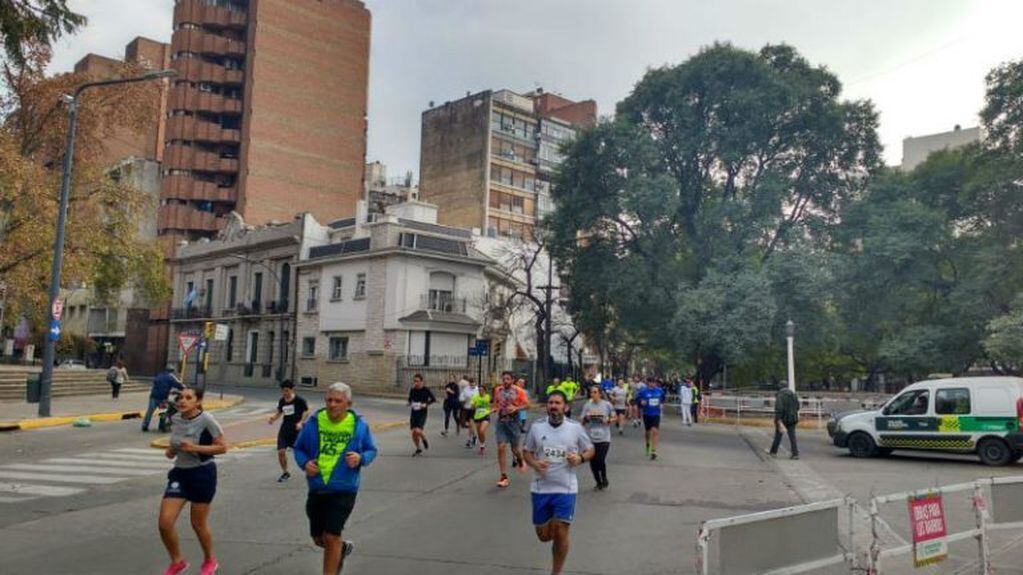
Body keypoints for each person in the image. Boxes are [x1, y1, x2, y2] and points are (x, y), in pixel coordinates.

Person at [294, 382, 378, 575]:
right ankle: (341, 549)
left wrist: (361, 458)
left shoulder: (359, 425)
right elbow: (299, 448)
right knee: (318, 538)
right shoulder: (314, 422)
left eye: (337, 401)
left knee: (331, 536)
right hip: (317, 487)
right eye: (329, 400)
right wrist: (305, 463)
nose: (332, 404)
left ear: (348, 403)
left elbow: (371, 449)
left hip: (344, 488)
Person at [522, 390, 595, 575]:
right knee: (544, 536)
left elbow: (590, 450)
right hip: (540, 488)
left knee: (561, 531)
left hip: (566, 488)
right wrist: (535, 463)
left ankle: (556, 572)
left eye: (557, 403)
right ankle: (554, 535)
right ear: (547, 406)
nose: (553, 406)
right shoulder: (537, 427)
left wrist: (579, 458)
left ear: (566, 407)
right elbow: (527, 452)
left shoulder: (575, 428)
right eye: (550, 402)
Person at [159, 387, 227, 575]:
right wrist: (171, 450)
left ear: (197, 402)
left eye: (188, 398)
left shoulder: (207, 420)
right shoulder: (176, 419)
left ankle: (209, 560)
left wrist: (195, 448)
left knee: (197, 523)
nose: (183, 401)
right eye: (180, 397)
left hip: (202, 474)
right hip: (180, 473)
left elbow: (222, 448)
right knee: (165, 522)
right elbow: (171, 452)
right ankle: (177, 561)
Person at [267, 379, 310, 482]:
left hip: (296, 430)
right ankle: (285, 472)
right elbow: (280, 411)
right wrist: (273, 418)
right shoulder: (282, 401)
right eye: (283, 391)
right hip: (285, 429)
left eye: (287, 390)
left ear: (292, 389)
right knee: (281, 451)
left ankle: (311, 467)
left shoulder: (299, 400)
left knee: (302, 451)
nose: (285, 393)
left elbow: (306, 411)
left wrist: (301, 422)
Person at [493, 371, 529, 488]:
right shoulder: (498, 390)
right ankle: (503, 476)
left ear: (513, 380)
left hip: (514, 422)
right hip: (501, 422)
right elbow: (496, 403)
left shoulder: (519, 391)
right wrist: (495, 409)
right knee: (501, 447)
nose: (505, 381)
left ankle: (519, 459)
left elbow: (527, 405)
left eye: (508, 379)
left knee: (515, 450)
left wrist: (516, 408)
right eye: (503, 379)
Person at [581, 385, 614, 490]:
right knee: (593, 462)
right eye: (591, 392)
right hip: (591, 438)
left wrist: (608, 420)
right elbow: (582, 421)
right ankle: (598, 482)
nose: (593, 394)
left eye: (595, 392)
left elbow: (615, 417)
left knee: (600, 460)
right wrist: (587, 418)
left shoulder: (607, 405)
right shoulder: (587, 405)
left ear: (600, 393)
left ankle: (604, 477)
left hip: (604, 437)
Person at [143, 366, 184, 432]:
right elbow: (178, 385)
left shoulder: (159, 375)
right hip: (163, 398)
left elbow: (156, 383)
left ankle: (145, 425)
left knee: (150, 412)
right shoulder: (171, 377)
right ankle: (161, 426)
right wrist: (182, 387)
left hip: (154, 396)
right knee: (163, 412)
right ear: (171, 371)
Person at [636, 377, 666, 460]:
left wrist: (661, 404)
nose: (653, 383)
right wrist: (641, 402)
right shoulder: (643, 391)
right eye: (651, 382)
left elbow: (663, 399)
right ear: (648, 383)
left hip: (656, 414)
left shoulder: (659, 391)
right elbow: (637, 400)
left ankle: (654, 451)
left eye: (654, 382)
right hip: (647, 414)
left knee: (655, 431)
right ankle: (648, 444)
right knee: (648, 432)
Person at [768, 386, 800, 460]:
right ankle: (795, 454)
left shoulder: (780, 396)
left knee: (778, 436)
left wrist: (778, 419)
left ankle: (773, 452)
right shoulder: (793, 395)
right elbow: (798, 407)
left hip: (783, 419)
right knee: (792, 437)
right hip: (792, 419)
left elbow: (779, 409)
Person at [407, 374, 437, 456]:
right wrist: (409, 403)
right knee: (413, 433)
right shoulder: (412, 390)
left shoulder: (426, 390)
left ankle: (424, 439)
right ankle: (418, 448)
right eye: (414, 381)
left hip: (422, 412)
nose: (415, 383)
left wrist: (426, 404)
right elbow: (410, 399)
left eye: (417, 381)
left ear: (421, 381)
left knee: (418, 430)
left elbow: (433, 399)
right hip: (414, 412)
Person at [471, 383, 492, 457]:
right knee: (479, 433)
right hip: (477, 416)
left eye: (482, 390)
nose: (481, 391)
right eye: (479, 390)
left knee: (482, 430)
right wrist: (474, 405)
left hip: (486, 415)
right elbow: (472, 408)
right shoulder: (475, 397)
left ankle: (482, 445)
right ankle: (482, 446)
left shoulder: (488, 397)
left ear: (485, 391)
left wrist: (491, 409)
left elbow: (492, 404)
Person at [459, 377, 480, 448]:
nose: (472, 384)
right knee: (469, 425)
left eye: (473, 383)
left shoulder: (478, 390)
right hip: (466, 408)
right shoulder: (466, 389)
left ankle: (469, 440)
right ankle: (474, 436)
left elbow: (480, 399)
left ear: (475, 383)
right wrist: (464, 400)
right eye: (471, 383)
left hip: (474, 409)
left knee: (471, 424)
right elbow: (461, 397)